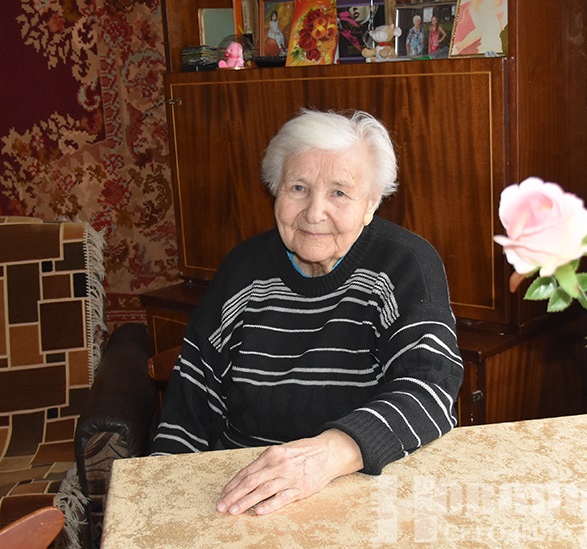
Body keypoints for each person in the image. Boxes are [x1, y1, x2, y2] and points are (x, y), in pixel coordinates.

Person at [151, 109, 464, 516]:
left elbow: (430, 388)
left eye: (339, 193)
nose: (315, 213)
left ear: (371, 204)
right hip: (243, 495)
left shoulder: (403, 265)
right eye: (298, 188)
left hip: (361, 491)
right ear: (275, 190)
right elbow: (188, 408)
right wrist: (164, 509)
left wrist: (328, 455)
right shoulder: (243, 271)